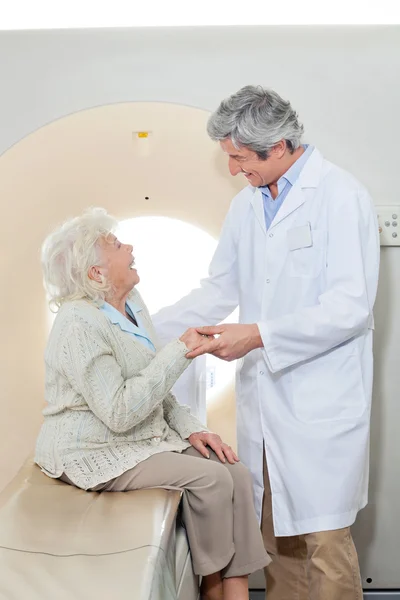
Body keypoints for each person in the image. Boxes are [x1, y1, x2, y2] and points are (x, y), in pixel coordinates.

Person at [152, 85, 380, 600]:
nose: (232, 169)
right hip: (266, 412)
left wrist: (257, 336)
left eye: (237, 158)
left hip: (320, 407)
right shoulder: (246, 206)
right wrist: (146, 325)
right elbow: (221, 289)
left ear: (276, 146)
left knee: (323, 543)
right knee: (277, 540)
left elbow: (350, 307)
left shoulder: (342, 198)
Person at [34, 208, 270, 600]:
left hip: (137, 438)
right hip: (91, 449)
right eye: (116, 244)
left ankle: (236, 590)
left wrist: (194, 427)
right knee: (210, 479)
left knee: (235, 471)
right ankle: (211, 589)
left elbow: (154, 388)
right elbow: (120, 411)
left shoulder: (132, 304)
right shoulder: (78, 325)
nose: (129, 247)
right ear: (97, 274)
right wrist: (179, 350)